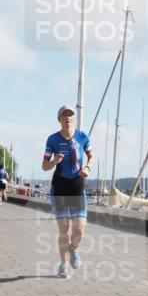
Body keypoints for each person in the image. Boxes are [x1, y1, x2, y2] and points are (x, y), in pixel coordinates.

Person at [42, 105, 93, 278]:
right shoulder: (52, 140)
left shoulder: (83, 136)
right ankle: (63, 265)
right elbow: (44, 166)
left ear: (74, 118)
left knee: (79, 230)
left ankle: (74, 249)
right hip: (60, 187)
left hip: (77, 185)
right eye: (64, 115)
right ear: (59, 119)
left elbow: (91, 157)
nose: (68, 117)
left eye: (71, 115)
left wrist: (87, 167)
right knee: (64, 230)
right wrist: (55, 160)